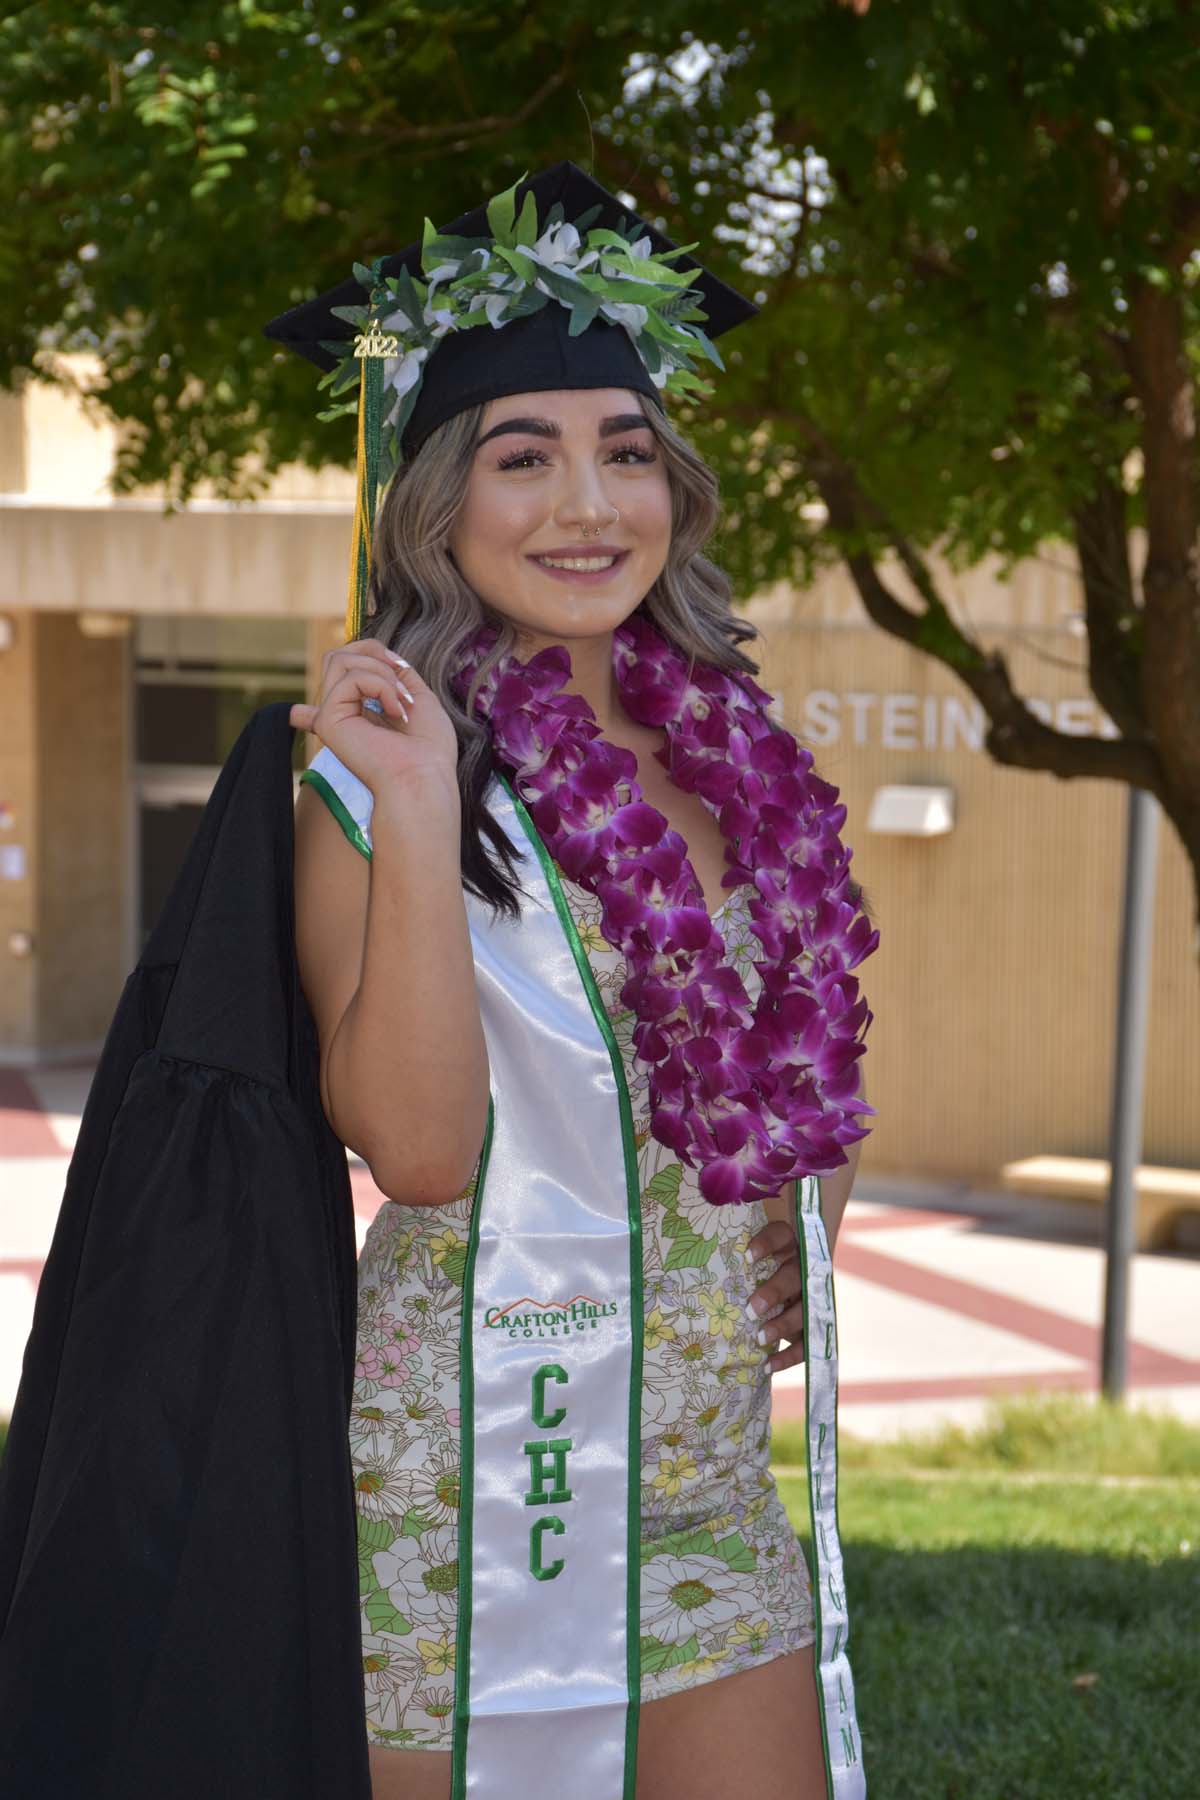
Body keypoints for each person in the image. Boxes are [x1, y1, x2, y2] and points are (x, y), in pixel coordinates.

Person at [268, 162, 878, 1800]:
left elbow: (803, 1059)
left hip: (705, 1471)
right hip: (476, 1467)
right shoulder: (372, 780)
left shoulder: (743, 759)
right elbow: (418, 1152)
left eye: (627, 451)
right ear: (435, 502)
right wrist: (419, 809)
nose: (589, 505)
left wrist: (812, 1208)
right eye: (522, 457)